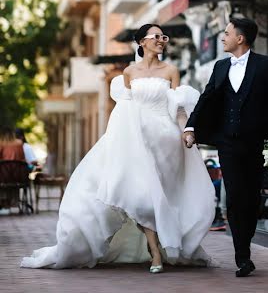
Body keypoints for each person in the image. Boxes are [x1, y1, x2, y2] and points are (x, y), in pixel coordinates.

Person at [21, 24, 215, 272]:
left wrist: (187, 132)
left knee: (160, 197)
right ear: (142, 42)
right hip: (135, 139)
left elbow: (177, 107)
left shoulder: (171, 70)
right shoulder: (128, 73)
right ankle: (155, 251)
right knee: (142, 197)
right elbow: (125, 109)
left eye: (163, 37)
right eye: (156, 37)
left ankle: (159, 247)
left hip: (165, 141)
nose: (161, 41)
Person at [183, 17, 268, 277]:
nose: (222, 37)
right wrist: (191, 127)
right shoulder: (221, 66)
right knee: (234, 197)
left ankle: (245, 242)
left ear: (240, 38)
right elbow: (206, 98)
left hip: (258, 142)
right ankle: (242, 256)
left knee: (252, 198)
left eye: (226, 33)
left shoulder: (265, 65)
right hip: (228, 142)